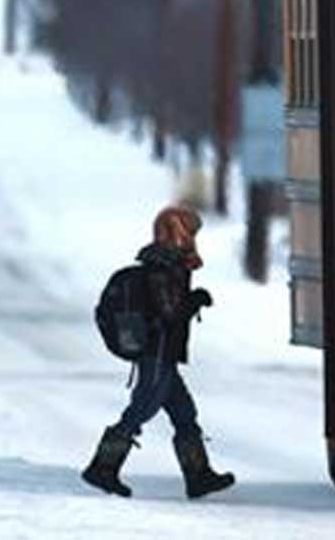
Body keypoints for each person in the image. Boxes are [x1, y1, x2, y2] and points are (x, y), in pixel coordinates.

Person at [82, 205, 235, 500]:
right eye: (189, 231)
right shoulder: (162, 267)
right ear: (176, 231)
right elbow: (169, 314)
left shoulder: (171, 264)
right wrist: (195, 301)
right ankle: (102, 467)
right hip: (157, 354)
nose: (192, 237)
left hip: (163, 354)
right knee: (140, 410)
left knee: (184, 412)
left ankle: (198, 475)